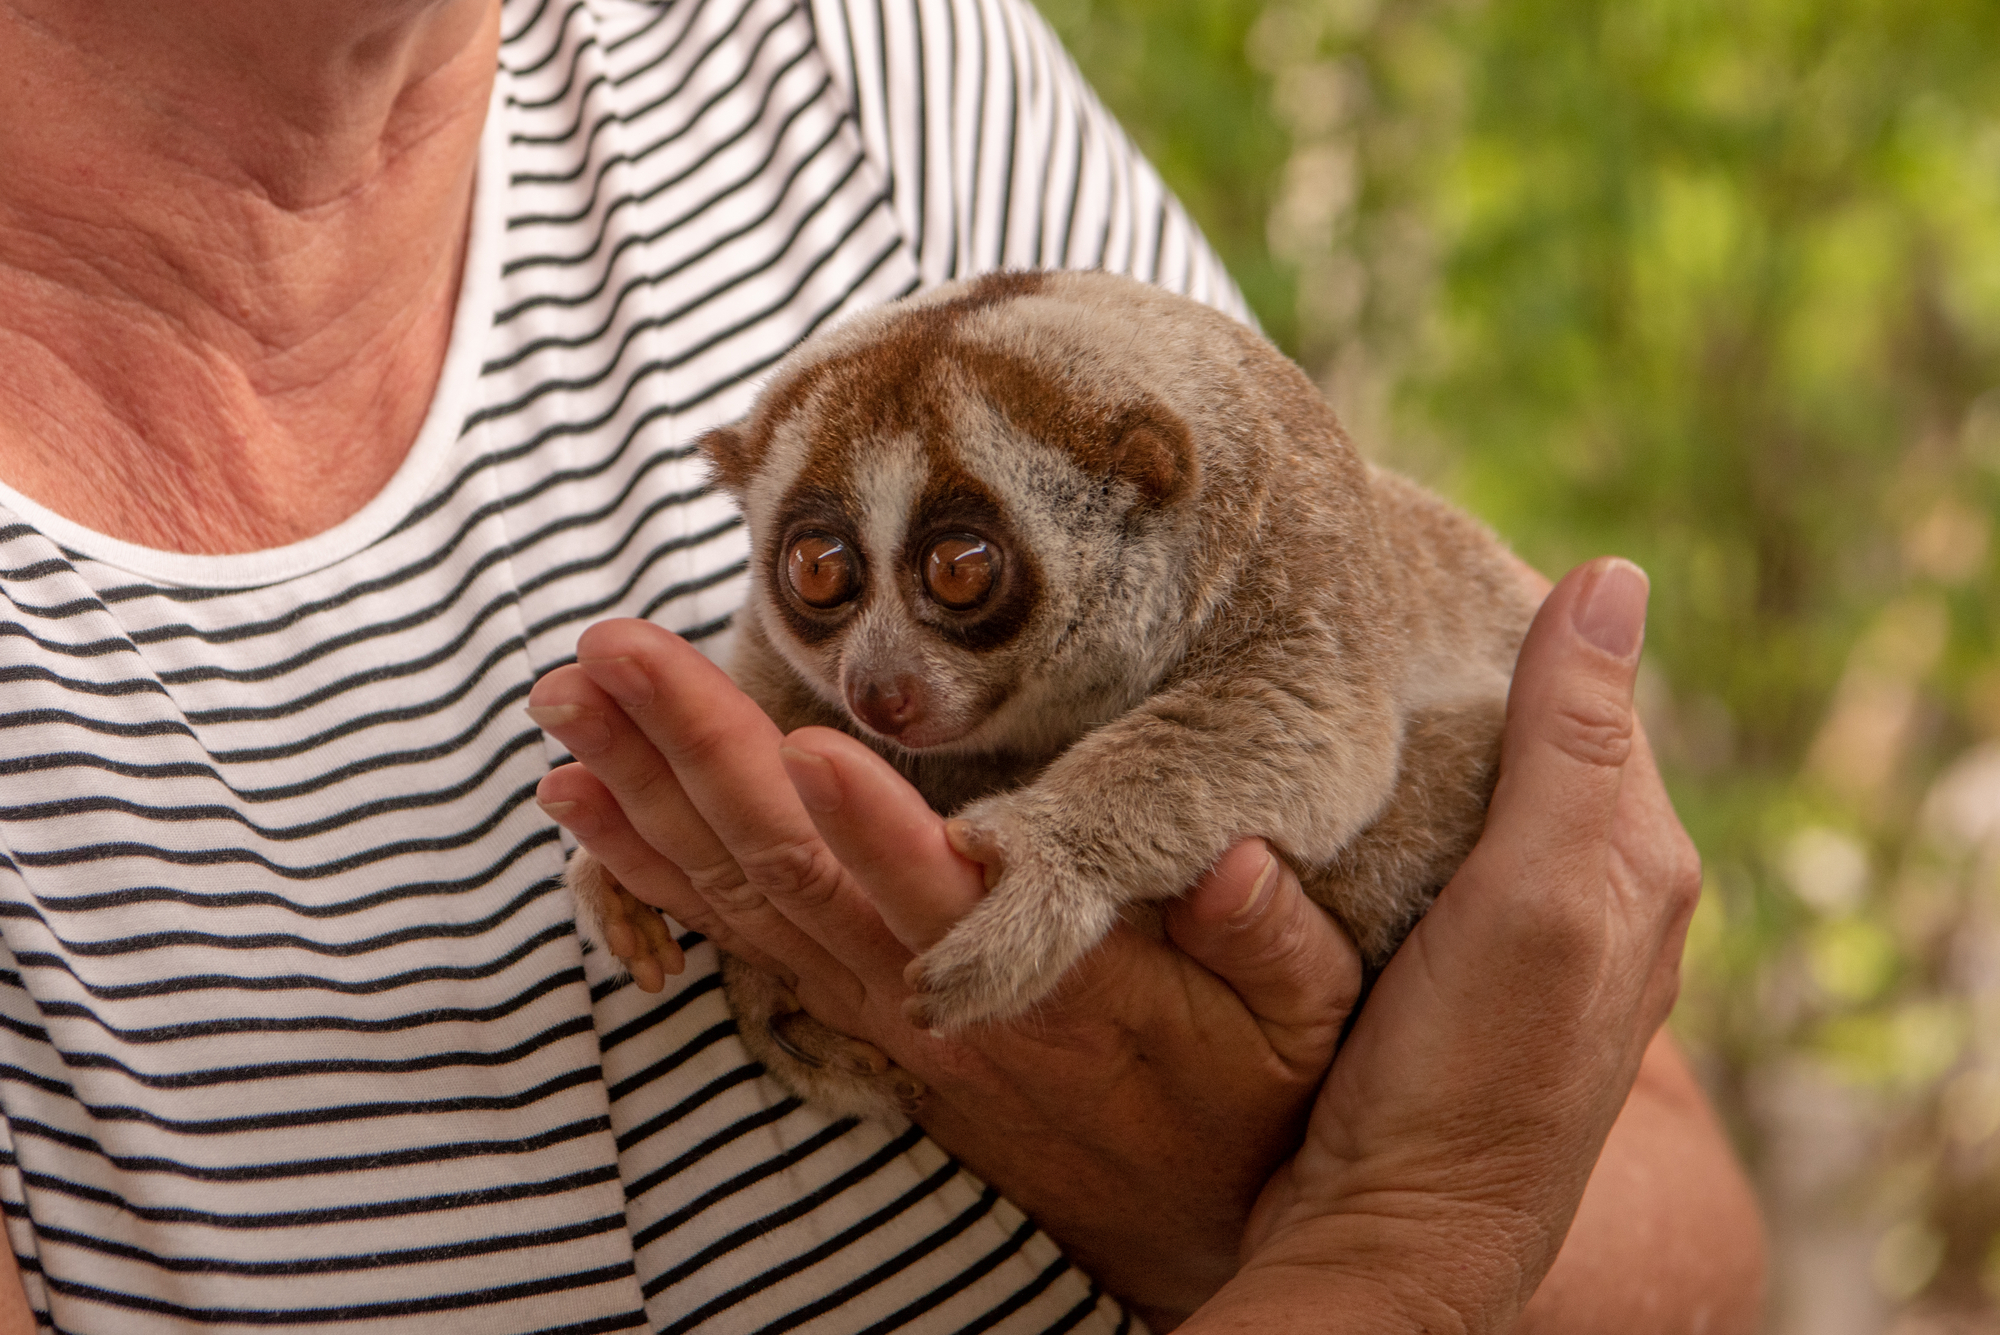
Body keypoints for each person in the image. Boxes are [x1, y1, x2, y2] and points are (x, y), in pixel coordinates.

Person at [0, 0, 1762, 1330]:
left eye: (961, 578)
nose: (884, 684)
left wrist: (1278, 1177)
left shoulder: (858, 59)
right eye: (825, 580)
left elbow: (1681, 1233)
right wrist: (1377, 1242)